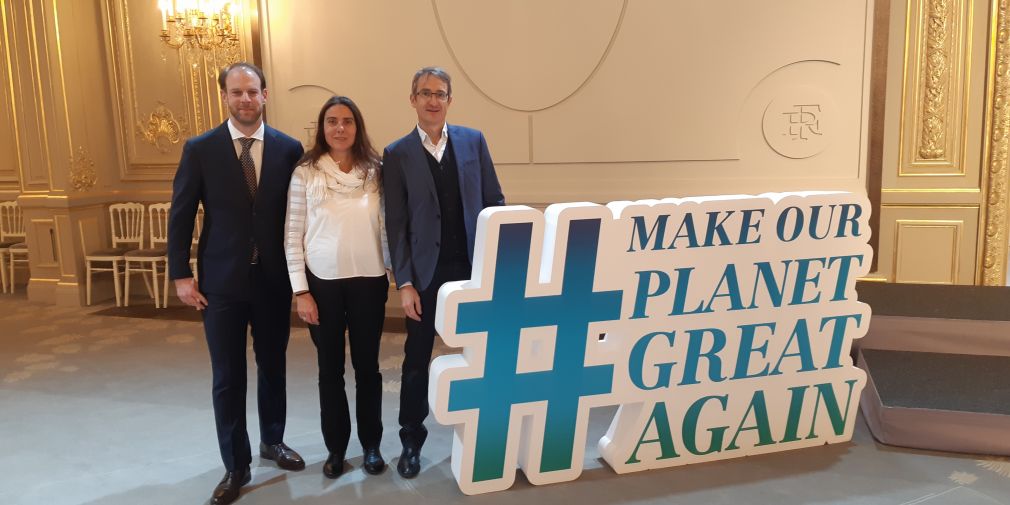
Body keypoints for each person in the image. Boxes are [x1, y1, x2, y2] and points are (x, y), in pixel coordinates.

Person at [167, 62, 306, 505]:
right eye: (236, 92)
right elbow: (182, 213)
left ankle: (272, 441)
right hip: (221, 284)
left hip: (272, 281)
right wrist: (180, 273)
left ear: (265, 94)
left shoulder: (289, 148)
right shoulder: (200, 148)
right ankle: (236, 464)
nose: (245, 99)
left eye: (252, 92)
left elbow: (298, 213)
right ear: (225, 97)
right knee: (227, 376)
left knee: (273, 365)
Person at [383, 66, 506, 478]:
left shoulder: (473, 141)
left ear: (450, 100)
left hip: (475, 270)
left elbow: (494, 203)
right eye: (424, 93)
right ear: (412, 99)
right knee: (416, 359)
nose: (432, 100)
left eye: (440, 93)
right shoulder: (397, 153)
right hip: (425, 276)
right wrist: (405, 283)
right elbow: (396, 224)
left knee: (488, 355)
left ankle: (489, 434)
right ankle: (411, 442)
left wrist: (501, 267)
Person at [284, 96, 390, 478]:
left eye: (347, 121)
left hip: (369, 281)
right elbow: (292, 235)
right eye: (332, 121)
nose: (340, 127)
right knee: (329, 371)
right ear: (322, 127)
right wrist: (301, 291)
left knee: (368, 369)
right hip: (321, 285)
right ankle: (336, 449)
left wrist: (398, 273)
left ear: (357, 127)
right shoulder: (306, 173)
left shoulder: (376, 170)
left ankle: (372, 446)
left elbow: (387, 227)